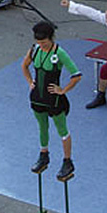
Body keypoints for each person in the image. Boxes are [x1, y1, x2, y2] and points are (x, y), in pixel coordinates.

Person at [22, 21, 82, 178]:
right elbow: (24, 66)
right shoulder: (34, 50)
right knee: (42, 127)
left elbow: (76, 75)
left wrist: (63, 91)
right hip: (37, 98)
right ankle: (44, 155)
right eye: (38, 42)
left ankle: (68, 161)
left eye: (44, 42)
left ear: (51, 38)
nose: (41, 45)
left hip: (54, 99)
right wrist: (30, 82)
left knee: (62, 130)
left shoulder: (60, 53)